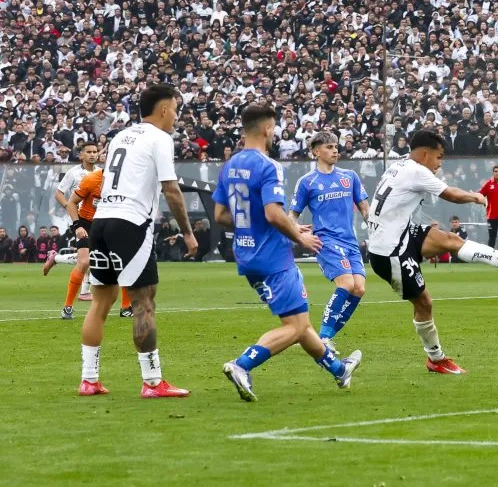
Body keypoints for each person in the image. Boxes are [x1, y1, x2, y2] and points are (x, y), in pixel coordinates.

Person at [365, 130, 498, 375]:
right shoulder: (417, 171)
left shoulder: (399, 165)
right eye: (438, 157)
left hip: (399, 234)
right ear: (425, 154)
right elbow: (451, 195)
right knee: (424, 302)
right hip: (390, 252)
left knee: (449, 239)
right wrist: (476, 197)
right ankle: (436, 359)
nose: (439, 163)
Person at [218, 106, 362, 402]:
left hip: (245, 254)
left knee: (302, 324)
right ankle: (242, 365)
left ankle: (338, 369)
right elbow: (273, 214)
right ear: (267, 129)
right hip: (273, 256)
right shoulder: (269, 166)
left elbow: (221, 214)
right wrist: (299, 235)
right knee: (295, 327)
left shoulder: (229, 166)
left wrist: (260, 223)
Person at [78, 84, 197, 398]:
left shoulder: (121, 135)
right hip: (131, 223)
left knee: (101, 301)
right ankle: (153, 382)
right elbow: (170, 189)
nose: (176, 115)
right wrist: (187, 231)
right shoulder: (160, 138)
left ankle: (88, 379)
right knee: (144, 303)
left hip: (102, 221)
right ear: (162, 109)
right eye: (175, 108)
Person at [289, 131, 370, 350]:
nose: (335, 150)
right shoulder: (307, 182)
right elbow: (292, 216)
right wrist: (297, 231)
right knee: (347, 284)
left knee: (359, 289)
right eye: (329, 147)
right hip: (326, 240)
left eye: (336, 146)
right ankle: (324, 339)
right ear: (316, 152)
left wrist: (374, 223)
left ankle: (321, 337)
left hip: (350, 241)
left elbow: (364, 206)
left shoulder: (349, 176)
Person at [65, 169, 133, 319]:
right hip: (86, 223)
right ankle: (67, 307)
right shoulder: (91, 179)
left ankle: (126, 307)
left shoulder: (126, 180)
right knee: (84, 261)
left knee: (124, 261)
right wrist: (78, 226)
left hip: (110, 223)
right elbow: (71, 203)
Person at [45, 142, 100, 306]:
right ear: (81, 155)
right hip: (79, 219)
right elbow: (59, 193)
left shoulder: (100, 173)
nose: (92, 154)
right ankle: (84, 291)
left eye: (95, 152)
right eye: (88, 152)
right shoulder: (73, 173)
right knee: (89, 255)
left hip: (97, 218)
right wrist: (69, 206)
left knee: (92, 256)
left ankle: (57, 258)